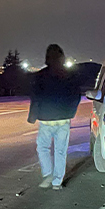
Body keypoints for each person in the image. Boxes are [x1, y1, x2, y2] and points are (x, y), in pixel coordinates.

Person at [27, 44, 82, 190]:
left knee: (43, 148)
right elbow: (76, 96)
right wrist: (70, 112)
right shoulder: (70, 76)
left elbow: (36, 97)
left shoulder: (41, 76)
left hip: (46, 119)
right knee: (60, 151)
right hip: (63, 119)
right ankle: (57, 182)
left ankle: (47, 174)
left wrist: (32, 116)